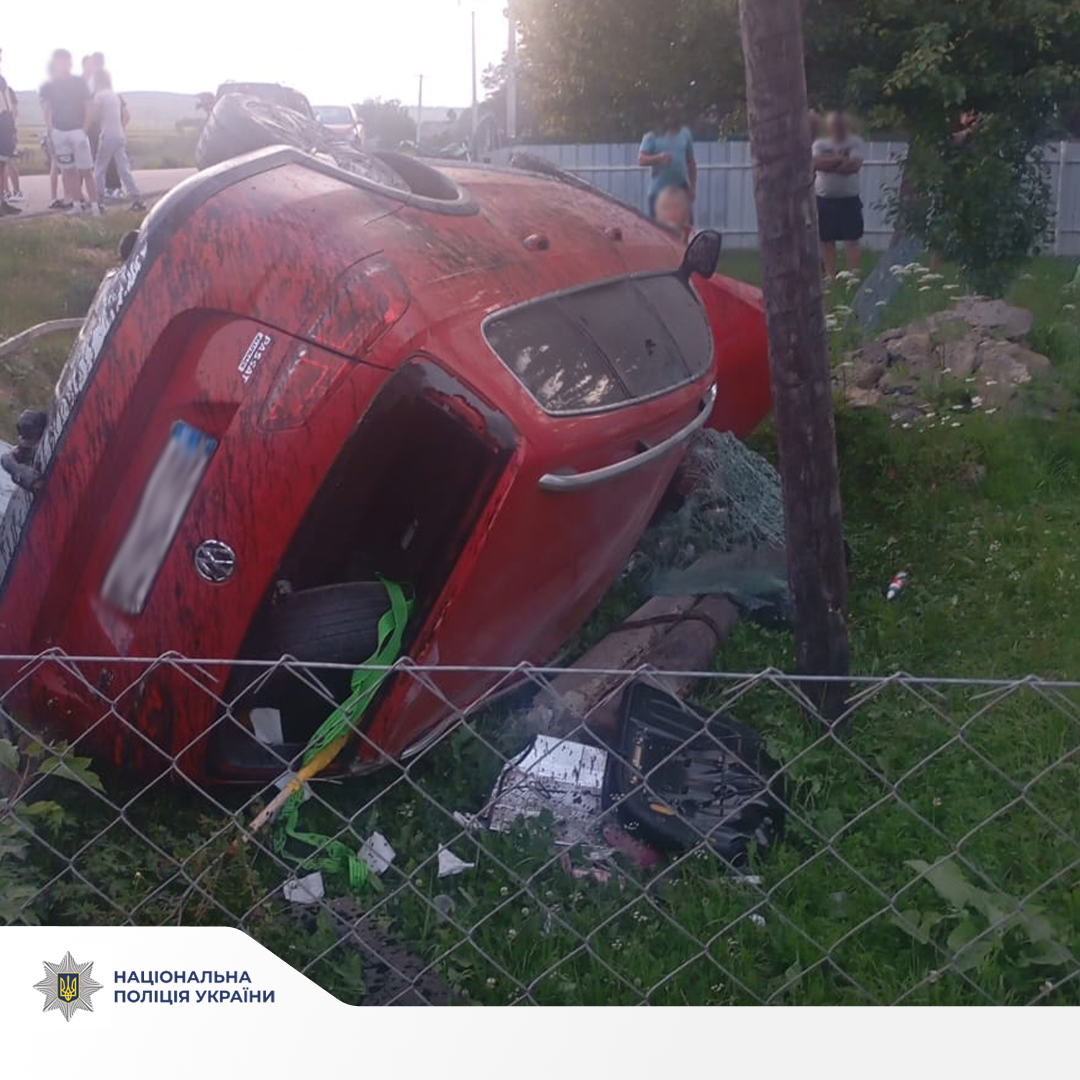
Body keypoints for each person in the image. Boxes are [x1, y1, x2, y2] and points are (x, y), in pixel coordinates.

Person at [40, 49, 100, 216]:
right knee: (68, 171)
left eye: (65, 61)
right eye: (59, 61)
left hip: (77, 130)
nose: (62, 65)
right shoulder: (50, 86)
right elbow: (47, 107)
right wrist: (51, 129)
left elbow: (89, 106)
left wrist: (84, 130)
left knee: (86, 170)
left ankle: (95, 207)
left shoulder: (78, 82)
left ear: (69, 63)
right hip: (60, 131)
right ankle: (76, 204)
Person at [812, 110, 865, 277]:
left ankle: (853, 276)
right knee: (826, 240)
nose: (838, 129)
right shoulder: (820, 144)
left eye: (840, 126)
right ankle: (830, 277)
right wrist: (840, 159)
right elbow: (815, 164)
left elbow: (853, 167)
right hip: (824, 199)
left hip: (849, 198)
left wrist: (830, 162)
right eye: (834, 126)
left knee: (852, 239)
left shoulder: (855, 142)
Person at [92, 71, 144, 210]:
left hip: (107, 134)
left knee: (99, 169)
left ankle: (99, 201)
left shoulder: (99, 96)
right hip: (119, 134)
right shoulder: (115, 96)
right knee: (123, 168)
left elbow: (95, 116)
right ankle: (137, 198)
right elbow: (125, 115)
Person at [639, 106, 697, 219]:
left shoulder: (685, 134)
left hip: (680, 188)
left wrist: (693, 188)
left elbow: (691, 162)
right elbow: (641, 159)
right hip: (659, 191)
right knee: (657, 228)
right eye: (669, 115)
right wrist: (658, 158)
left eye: (675, 115)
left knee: (685, 226)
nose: (673, 118)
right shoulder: (652, 136)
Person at [0, 47, 21, 214]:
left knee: (2, 165)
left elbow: (8, 106)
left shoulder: (3, 81)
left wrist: (12, 129)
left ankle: (2, 201)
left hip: (5, 125)